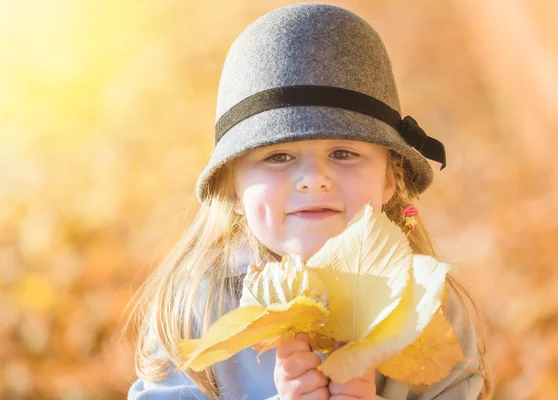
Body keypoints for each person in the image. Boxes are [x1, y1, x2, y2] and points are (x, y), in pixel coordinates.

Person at [125, 3, 493, 399]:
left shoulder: (428, 308)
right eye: (278, 157)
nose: (314, 180)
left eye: (343, 153)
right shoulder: (196, 309)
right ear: (231, 188)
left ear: (392, 177)